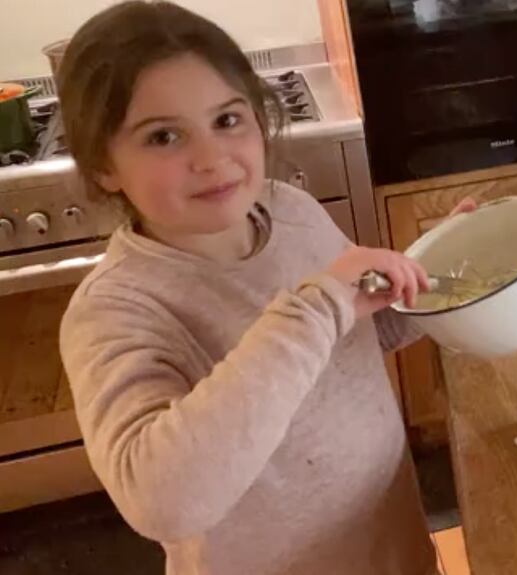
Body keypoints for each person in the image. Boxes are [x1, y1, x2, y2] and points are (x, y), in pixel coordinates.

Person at [57, 2, 472, 573]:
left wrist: (442, 268)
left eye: (227, 120)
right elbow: (162, 500)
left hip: (393, 551)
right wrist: (319, 306)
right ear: (103, 165)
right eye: (163, 137)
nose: (211, 158)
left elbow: (359, 335)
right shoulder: (116, 310)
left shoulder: (291, 209)